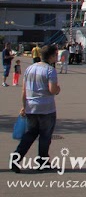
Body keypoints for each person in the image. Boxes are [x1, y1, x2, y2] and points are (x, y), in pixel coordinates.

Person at [12, 44, 61, 173]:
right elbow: (52, 90)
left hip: (31, 107)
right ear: (51, 56)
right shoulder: (50, 70)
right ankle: (42, 162)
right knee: (45, 136)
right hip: (46, 108)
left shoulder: (30, 68)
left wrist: (24, 106)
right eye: (56, 55)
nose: (57, 57)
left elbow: (24, 90)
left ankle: (16, 158)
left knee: (30, 134)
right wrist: (58, 89)